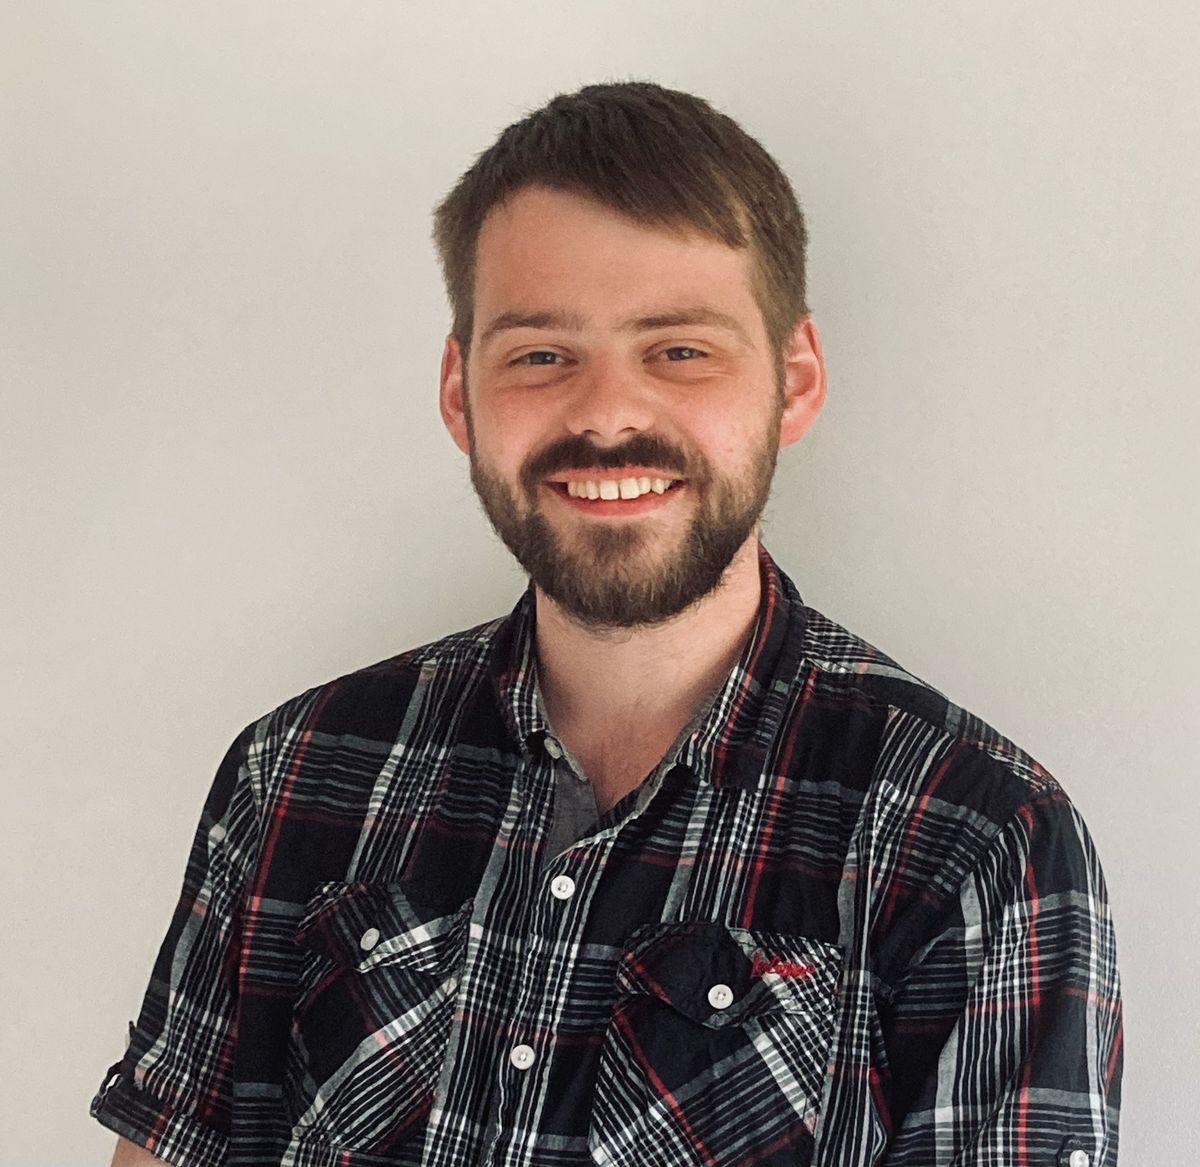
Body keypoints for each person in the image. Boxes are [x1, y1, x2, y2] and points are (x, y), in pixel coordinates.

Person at [93, 81, 1122, 1167]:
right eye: (541, 355)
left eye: (680, 350)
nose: (606, 415)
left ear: (795, 380)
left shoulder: (978, 841)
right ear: (461, 392)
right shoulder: (298, 772)